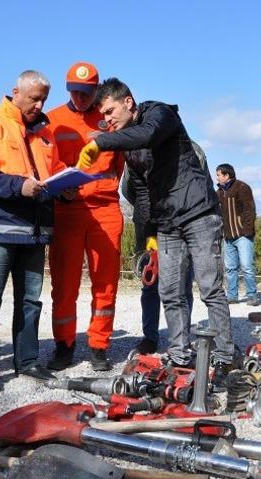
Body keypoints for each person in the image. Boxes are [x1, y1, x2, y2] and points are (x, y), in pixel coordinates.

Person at [79, 77, 236, 391]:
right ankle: (180, 354)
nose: (107, 119)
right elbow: (143, 191)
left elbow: (147, 134)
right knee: (170, 292)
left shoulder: (161, 114)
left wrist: (102, 142)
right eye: (103, 116)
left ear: (128, 102)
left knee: (209, 289)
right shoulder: (128, 146)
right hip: (167, 222)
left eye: (110, 111)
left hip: (198, 214)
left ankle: (225, 357)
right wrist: (149, 233)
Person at [0, 70, 68, 393]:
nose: (39, 105)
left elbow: (55, 170)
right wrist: (18, 186)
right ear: (16, 92)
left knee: (30, 301)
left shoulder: (45, 134)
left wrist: (67, 184)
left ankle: (28, 361)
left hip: (34, 232)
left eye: (43, 99)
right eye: (34, 98)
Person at [45, 62, 124, 372]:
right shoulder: (52, 119)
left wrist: (107, 187)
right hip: (67, 211)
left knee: (106, 282)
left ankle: (99, 346)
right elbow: (46, 162)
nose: (79, 98)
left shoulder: (109, 118)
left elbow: (120, 163)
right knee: (64, 285)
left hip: (105, 209)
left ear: (96, 90)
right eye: (74, 92)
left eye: (85, 93)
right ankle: (64, 345)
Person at [122, 148, 194, 355]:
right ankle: (150, 337)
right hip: (147, 224)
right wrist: (148, 217)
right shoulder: (136, 151)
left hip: (180, 224)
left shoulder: (192, 150)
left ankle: (181, 337)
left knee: (183, 284)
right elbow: (129, 189)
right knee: (150, 283)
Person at [215, 163, 259, 306]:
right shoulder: (219, 192)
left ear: (227, 175)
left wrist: (246, 231)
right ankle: (232, 296)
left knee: (246, 266)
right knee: (230, 268)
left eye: (219, 175)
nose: (217, 178)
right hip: (228, 237)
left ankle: (252, 295)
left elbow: (249, 210)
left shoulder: (242, 187)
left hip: (243, 236)